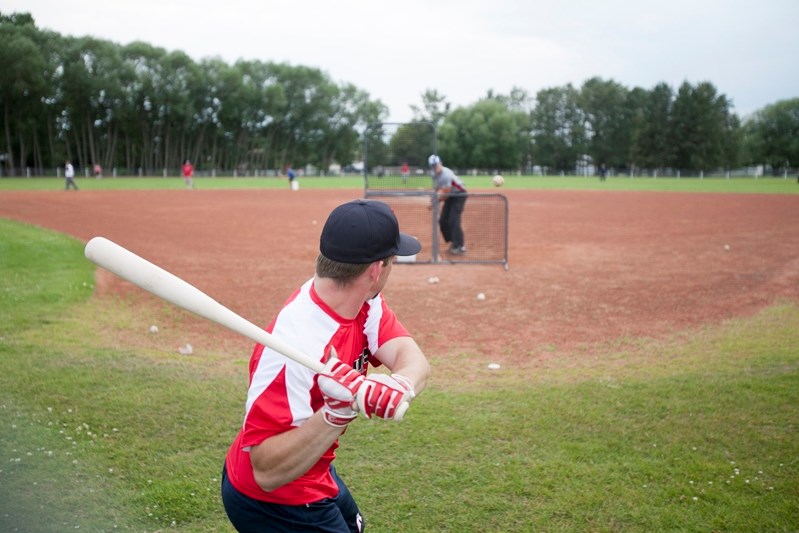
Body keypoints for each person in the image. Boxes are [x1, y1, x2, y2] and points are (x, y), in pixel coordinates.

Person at [221, 199, 429, 533]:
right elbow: (266, 469)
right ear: (376, 270)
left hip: (315, 470)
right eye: (392, 262)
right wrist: (336, 413)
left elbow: (412, 357)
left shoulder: (364, 302)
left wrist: (400, 384)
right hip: (272, 500)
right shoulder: (293, 346)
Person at [429, 154, 467, 255]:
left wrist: (434, 203)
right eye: (432, 166)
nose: (434, 168)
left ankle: (460, 246)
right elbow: (437, 186)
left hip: (459, 194)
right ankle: (453, 243)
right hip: (451, 195)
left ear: (440, 163)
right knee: (443, 221)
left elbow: (446, 194)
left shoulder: (446, 174)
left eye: (436, 165)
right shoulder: (434, 174)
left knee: (453, 219)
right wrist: (433, 196)